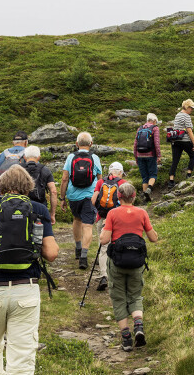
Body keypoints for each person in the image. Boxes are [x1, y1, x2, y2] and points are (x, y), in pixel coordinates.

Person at [0, 165, 58, 375]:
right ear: (28, 186)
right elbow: (51, 254)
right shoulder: (38, 210)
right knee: (22, 355)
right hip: (26, 290)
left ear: (1, 186)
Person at [99, 182, 160, 352]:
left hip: (117, 262)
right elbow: (153, 238)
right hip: (136, 262)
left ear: (118, 196)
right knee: (135, 295)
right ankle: (138, 326)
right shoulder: (142, 213)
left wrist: (105, 231)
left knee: (118, 297)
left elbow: (104, 240)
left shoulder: (112, 213)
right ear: (134, 196)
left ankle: (126, 339)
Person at [59, 132, 103, 270]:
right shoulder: (94, 157)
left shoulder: (71, 157)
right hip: (90, 196)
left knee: (77, 220)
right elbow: (100, 179)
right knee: (88, 225)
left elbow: (65, 178)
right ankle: (84, 257)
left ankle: (78, 249)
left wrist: (62, 198)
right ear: (91, 144)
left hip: (73, 196)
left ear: (77, 144)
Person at [92, 162, 128, 292]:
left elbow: (93, 199)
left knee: (103, 247)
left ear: (110, 171)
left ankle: (103, 276)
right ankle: (118, 276)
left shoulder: (101, 181)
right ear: (120, 172)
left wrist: (100, 212)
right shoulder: (124, 183)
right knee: (119, 245)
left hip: (102, 218)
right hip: (118, 218)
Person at [167, 99, 194, 189]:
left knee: (175, 160)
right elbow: (189, 131)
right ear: (187, 107)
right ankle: (189, 175)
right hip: (184, 140)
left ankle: (171, 181)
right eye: (191, 108)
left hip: (175, 140)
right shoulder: (186, 116)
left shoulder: (177, 115)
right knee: (192, 155)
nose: (192, 110)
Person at [131, 114, 162, 203]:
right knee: (153, 175)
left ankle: (146, 199)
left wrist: (136, 157)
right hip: (150, 155)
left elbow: (135, 144)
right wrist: (159, 155)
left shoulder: (140, 128)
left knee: (145, 177)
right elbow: (156, 143)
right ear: (155, 120)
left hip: (140, 155)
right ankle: (149, 189)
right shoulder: (155, 128)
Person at [21, 145, 57, 220]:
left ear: (24, 157)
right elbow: (53, 192)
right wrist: (52, 214)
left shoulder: (18, 169)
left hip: (21, 206)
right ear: (39, 157)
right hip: (40, 207)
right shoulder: (45, 170)